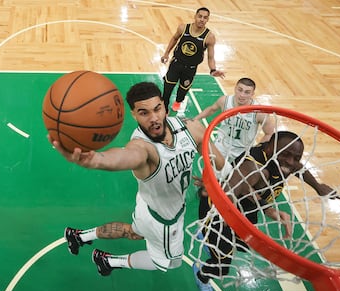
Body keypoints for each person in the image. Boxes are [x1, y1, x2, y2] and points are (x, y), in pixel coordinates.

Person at [49, 82, 224, 277]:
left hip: (146, 207)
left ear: (165, 107)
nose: (154, 118)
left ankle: (80, 236)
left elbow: (220, 163)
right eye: (144, 113)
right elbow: (127, 156)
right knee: (169, 263)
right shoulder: (142, 146)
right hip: (164, 220)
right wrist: (96, 160)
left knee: (134, 232)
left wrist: (211, 176)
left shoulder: (190, 128)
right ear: (133, 114)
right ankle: (109, 261)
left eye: (157, 109)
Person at [192, 131, 340, 291]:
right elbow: (234, 187)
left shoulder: (283, 160)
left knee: (239, 243)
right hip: (219, 210)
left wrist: (317, 186)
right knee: (222, 265)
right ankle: (201, 275)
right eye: (286, 155)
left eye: (296, 157)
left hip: (244, 209)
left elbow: (297, 168)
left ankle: (208, 238)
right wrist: (220, 192)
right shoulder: (253, 168)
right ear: (270, 149)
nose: (291, 162)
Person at [161, 7, 225, 114]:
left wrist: (213, 70)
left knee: (183, 90)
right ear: (195, 16)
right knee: (167, 88)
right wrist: (166, 53)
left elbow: (210, 57)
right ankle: (165, 108)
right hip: (176, 64)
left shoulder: (209, 37)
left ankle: (178, 102)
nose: (202, 19)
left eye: (205, 18)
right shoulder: (183, 28)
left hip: (190, 69)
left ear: (207, 20)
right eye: (200, 16)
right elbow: (174, 39)